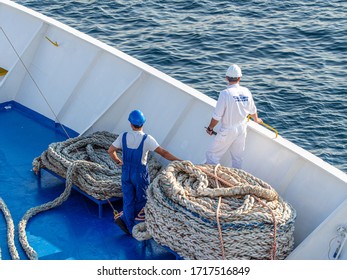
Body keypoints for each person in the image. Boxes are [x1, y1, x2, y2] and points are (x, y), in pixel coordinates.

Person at [108, 109, 181, 235]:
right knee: (142, 198)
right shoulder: (147, 139)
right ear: (143, 124)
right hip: (140, 173)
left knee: (128, 199)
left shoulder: (123, 136)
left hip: (126, 172)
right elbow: (163, 153)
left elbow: (110, 150)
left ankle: (128, 224)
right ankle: (127, 217)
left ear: (131, 124)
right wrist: (179, 161)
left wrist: (118, 161)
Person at [205, 64, 262, 169]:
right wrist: (256, 119)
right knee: (237, 158)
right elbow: (253, 110)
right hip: (241, 129)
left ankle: (213, 178)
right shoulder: (246, 91)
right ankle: (235, 179)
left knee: (211, 156)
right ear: (240, 78)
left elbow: (217, 116)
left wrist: (210, 128)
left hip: (228, 130)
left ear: (226, 78)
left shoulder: (225, 94)